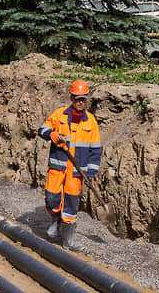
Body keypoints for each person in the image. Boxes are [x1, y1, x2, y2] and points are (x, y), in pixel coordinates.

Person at [37, 79, 101, 251]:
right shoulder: (59, 116)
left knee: (71, 205)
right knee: (51, 200)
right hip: (58, 168)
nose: (80, 102)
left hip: (76, 172)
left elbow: (95, 150)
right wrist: (51, 134)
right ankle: (55, 220)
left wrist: (91, 173)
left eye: (83, 99)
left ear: (86, 99)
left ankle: (68, 242)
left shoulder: (91, 122)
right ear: (71, 98)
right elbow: (41, 130)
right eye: (77, 98)